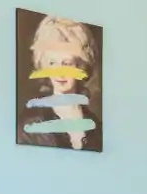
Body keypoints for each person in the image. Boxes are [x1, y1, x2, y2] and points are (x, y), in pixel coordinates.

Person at [18, 16, 102, 152]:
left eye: (66, 63)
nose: (59, 73)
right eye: (52, 63)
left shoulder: (96, 126)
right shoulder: (31, 122)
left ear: (81, 66)